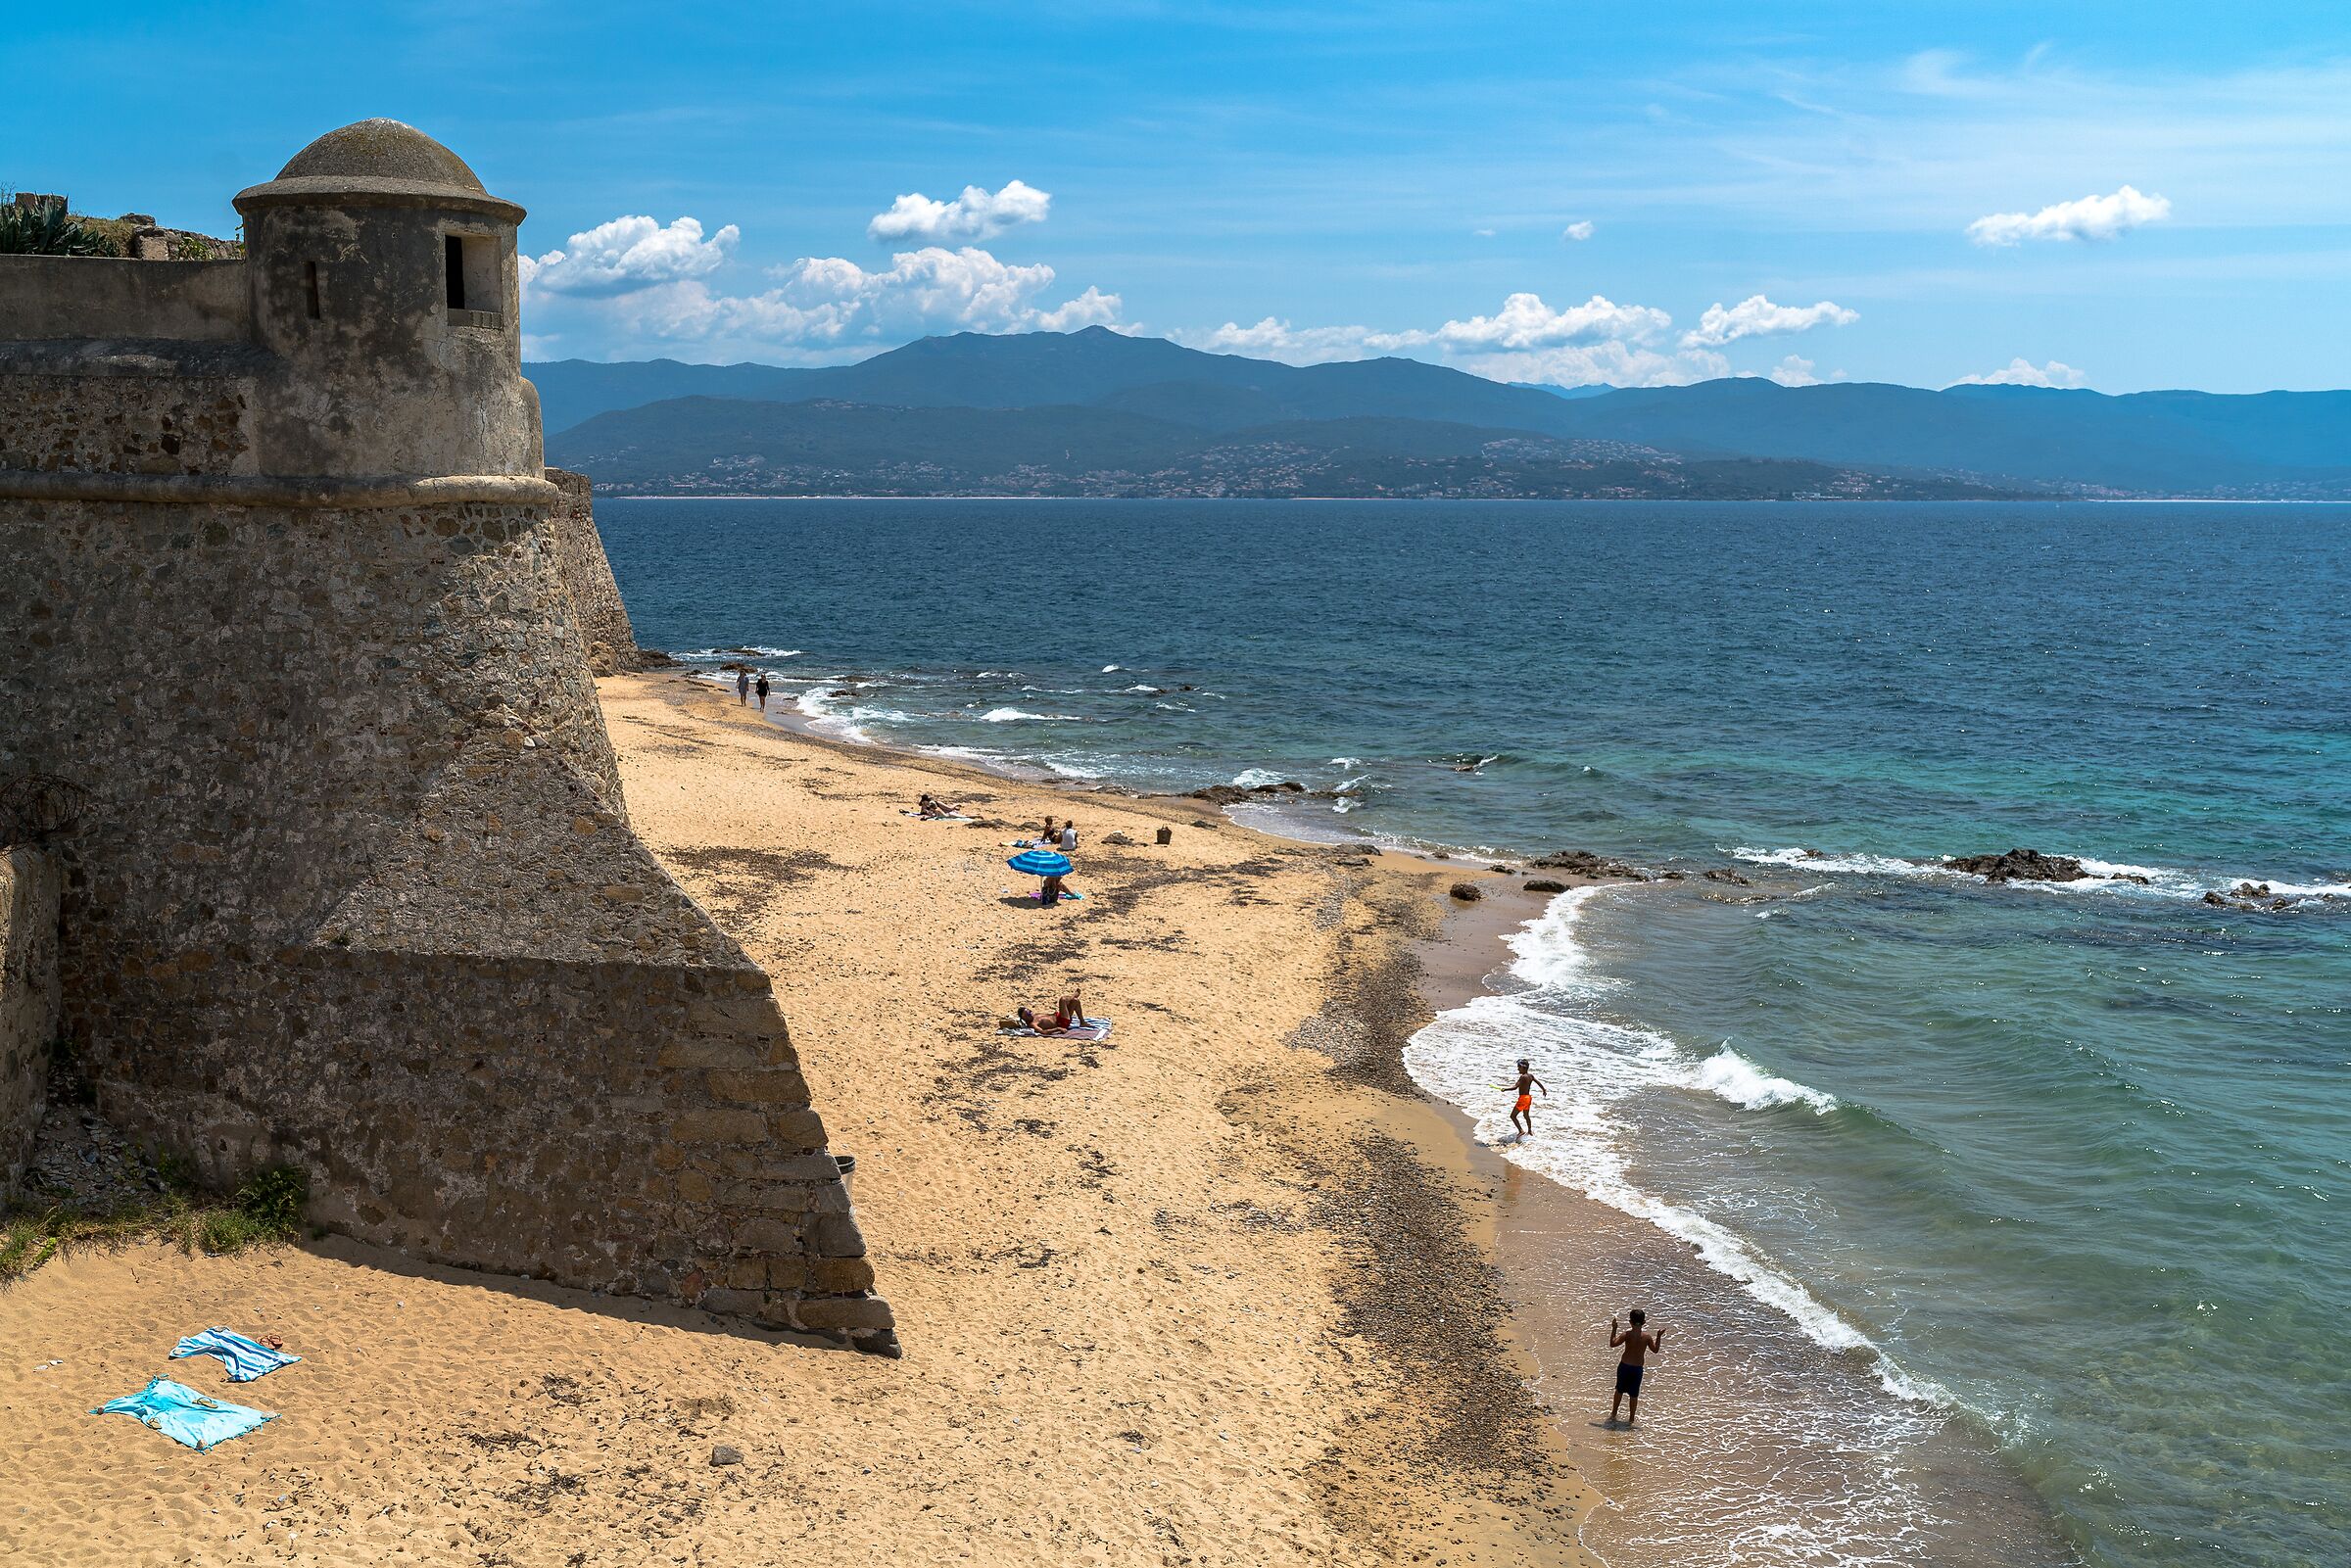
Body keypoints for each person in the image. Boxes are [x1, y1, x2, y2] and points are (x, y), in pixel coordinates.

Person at [1608, 1308, 1664, 1425]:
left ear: (1630, 1322)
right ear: (1644, 1322)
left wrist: (1614, 1328)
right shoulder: (1647, 1337)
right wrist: (1659, 1336)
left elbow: (1613, 1344)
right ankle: (1631, 1420)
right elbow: (1655, 1350)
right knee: (1634, 1395)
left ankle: (1613, 1414)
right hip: (1637, 1369)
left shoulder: (1626, 1334)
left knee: (1619, 1390)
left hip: (1624, 1367)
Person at [1510, 1058, 1549, 1138]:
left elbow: (1515, 1087)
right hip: (1528, 1098)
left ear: (1523, 1068)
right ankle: (1530, 1131)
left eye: (1519, 1067)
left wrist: (1504, 1089)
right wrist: (1543, 1090)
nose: (1518, 1069)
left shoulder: (1523, 1077)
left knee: (1513, 1116)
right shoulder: (1530, 1076)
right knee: (1526, 1116)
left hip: (1523, 1099)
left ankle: (1521, 1130)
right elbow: (1538, 1083)